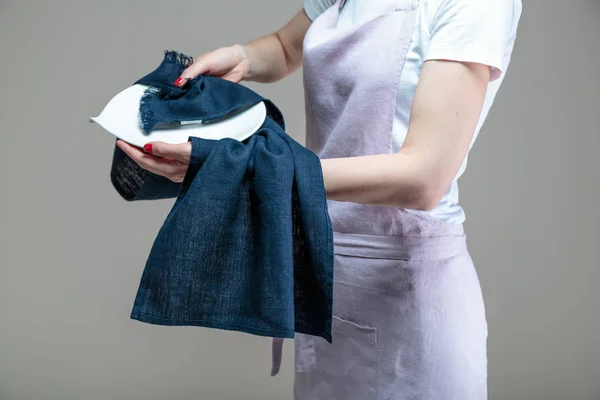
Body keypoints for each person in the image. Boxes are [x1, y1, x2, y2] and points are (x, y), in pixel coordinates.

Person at [116, 0, 522, 398]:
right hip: (324, 273)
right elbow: (285, 46)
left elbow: (424, 178)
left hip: (407, 297)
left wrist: (250, 167)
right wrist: (242, 58)